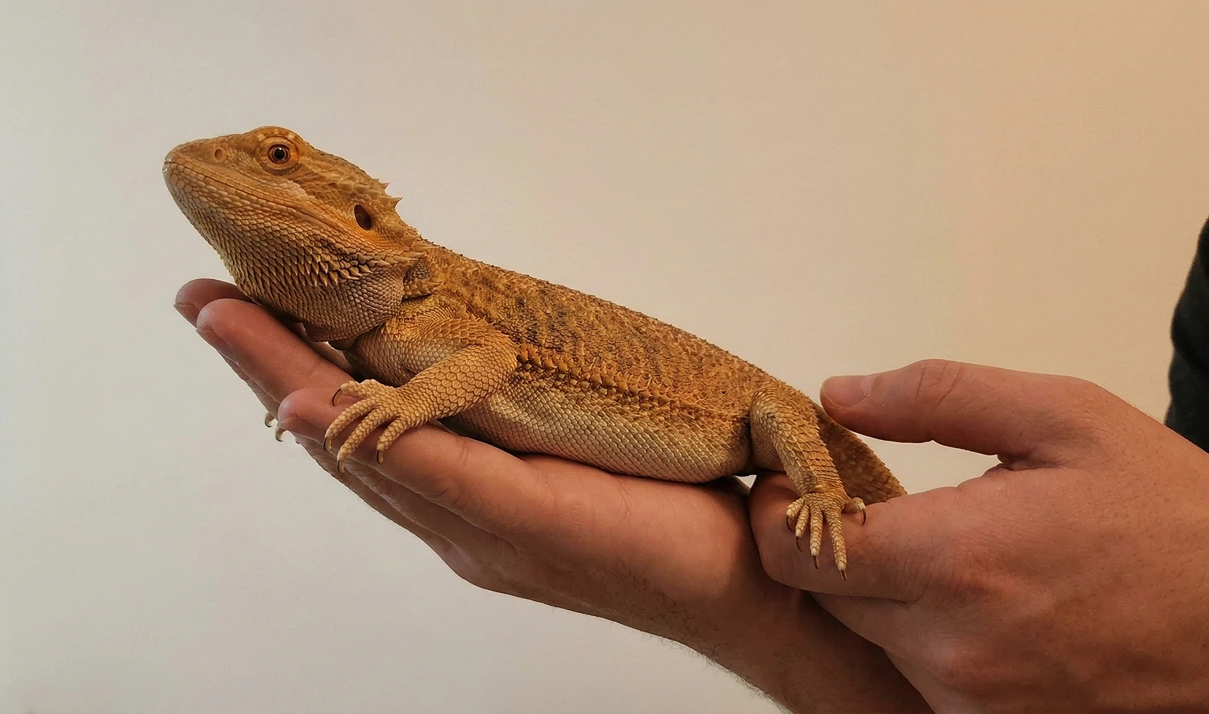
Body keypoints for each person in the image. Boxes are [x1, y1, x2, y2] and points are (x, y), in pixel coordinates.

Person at [174, 219, 1209, 712]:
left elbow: (483, 364)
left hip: (751, 424)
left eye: (276, 161)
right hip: (728, 478)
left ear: (359, 218)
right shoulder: (397, 327)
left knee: (799, 435)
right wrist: (739, 610)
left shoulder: (443, 322)